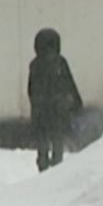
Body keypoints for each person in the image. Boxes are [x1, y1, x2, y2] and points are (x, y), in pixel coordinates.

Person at [28, 28, 83, 172]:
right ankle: (56, 171)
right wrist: (76, 103)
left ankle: (43, 166)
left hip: (41, 112)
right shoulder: (60, 62)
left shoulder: (34, 64)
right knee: (57, 141)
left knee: (43, 142)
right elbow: (69, 83)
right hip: (57, 111)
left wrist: (35, 106)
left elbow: (31, 89)